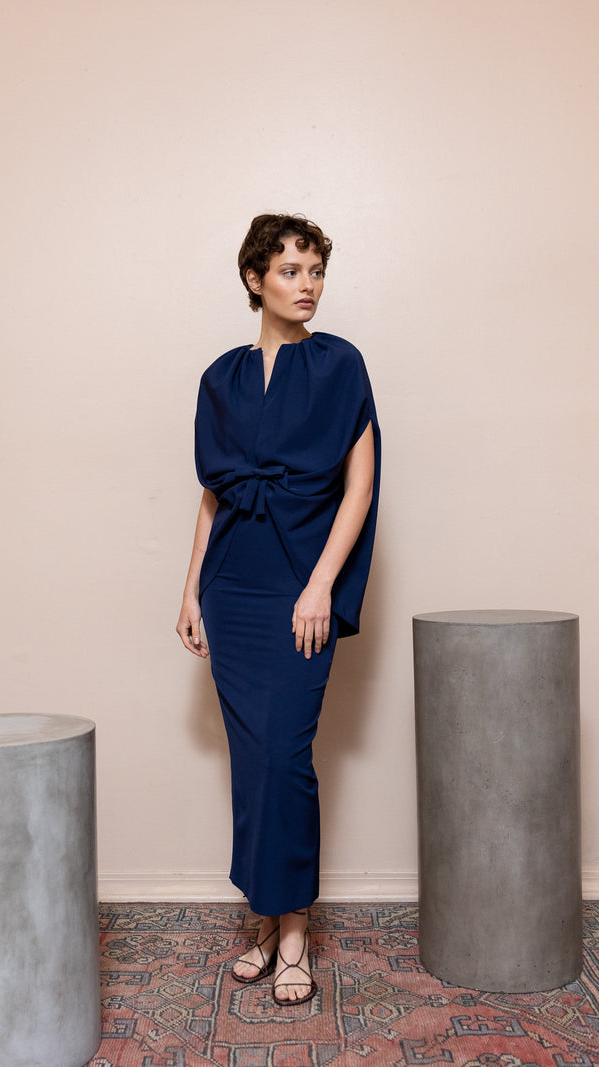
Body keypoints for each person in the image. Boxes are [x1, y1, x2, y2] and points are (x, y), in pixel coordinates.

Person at [176, 213, 380, 1006]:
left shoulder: (340, 365)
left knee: (286, 757)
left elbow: (359, 485)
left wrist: (322, 582)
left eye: (316, 270)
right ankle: (266, 917)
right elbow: (214, 495)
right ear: (255, 279)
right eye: (291, 270)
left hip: (302, 581)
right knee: (252, 759)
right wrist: (190, 588)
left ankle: (293, 933)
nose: (308, 285)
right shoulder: (219, 378)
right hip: (232, 584)